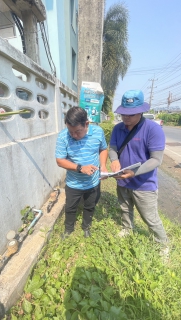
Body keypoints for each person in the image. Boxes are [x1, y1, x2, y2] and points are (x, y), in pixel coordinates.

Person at [109, 90, 168, 251]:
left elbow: (156, 160)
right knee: (125, 209)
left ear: (141, 111)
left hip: (144, 184)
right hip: (123, 180)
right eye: (124, 114)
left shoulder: (153, 130)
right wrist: (114, 160)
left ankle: (162, 245)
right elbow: (113, 148)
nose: (126, 117)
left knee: (150, 217)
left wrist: (135, 172)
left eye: (131, 114)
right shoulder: (118, 129)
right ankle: (127, 229)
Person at [55, 106, 108, 238]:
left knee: (90, 206)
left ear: (86, 124)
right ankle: (68, 230)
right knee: (70, 208)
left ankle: (86, 227)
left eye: (77, 131)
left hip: (93, 181)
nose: (74, 135)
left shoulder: (98, 132)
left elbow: (103, 149)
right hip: (74, 183)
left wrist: (103, 166)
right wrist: (80, 168)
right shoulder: (63, 136)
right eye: (70, 131)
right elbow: (60, 160)